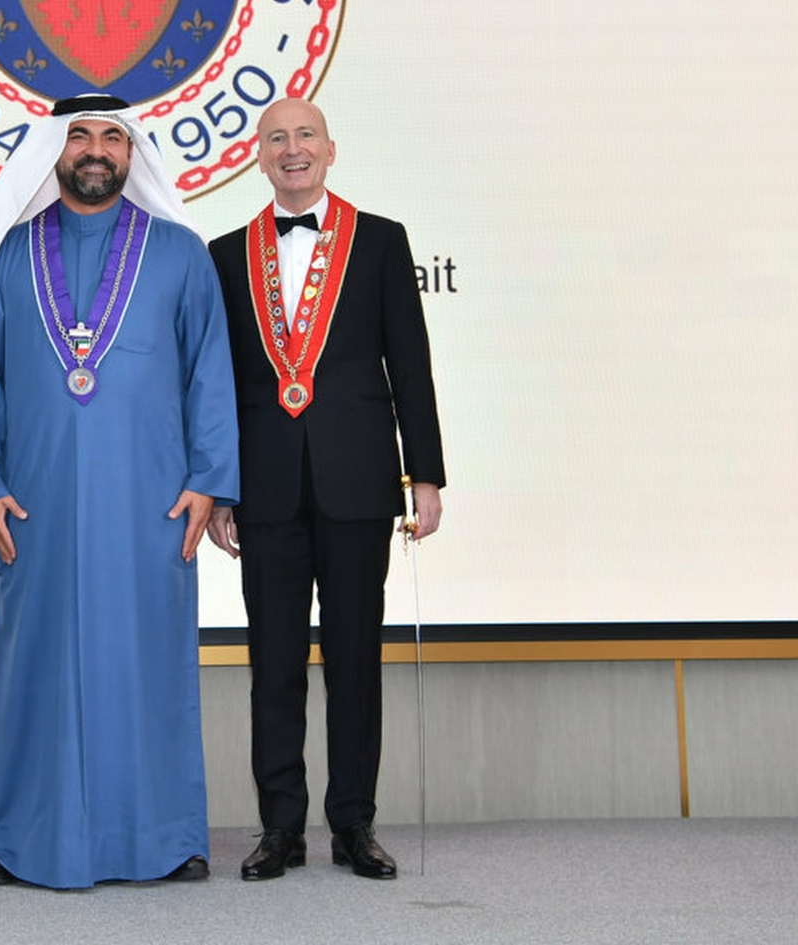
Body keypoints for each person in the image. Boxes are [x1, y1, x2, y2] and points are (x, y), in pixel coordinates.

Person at [0, 93, 239, 889]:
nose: (94, 150)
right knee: (30, 665)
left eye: (112, 137)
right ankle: (12, 840)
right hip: (30, 504)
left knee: (148, 664)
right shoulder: (8, 256)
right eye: (78, 135)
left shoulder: (181, 253)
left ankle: (167, 838)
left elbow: (209, 375)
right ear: (53, 149)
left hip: (152, 504)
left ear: (131, 153)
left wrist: (209, 482)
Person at [206, 97, 445, 881]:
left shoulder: (379, 240)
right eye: (275, 138)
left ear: (330, 149)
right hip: (263, 487)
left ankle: (353, 824)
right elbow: (216, 382)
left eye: (304, 134)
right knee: (271, 664)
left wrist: (425, 472)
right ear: (257, 156)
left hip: (359, 482)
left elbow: (409, 362)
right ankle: (279, 827)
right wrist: (218, 485)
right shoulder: (225, 253)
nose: (292, 148)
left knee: (354, 660)